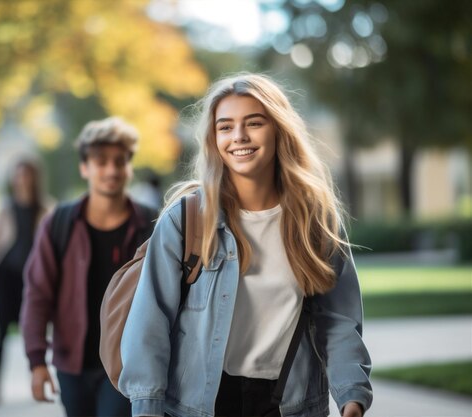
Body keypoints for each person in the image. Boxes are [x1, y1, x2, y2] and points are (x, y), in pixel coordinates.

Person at [118, 73, 372, 417]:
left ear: (279, 129)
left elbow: (338, 319)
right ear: (213, 138)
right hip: (200, 405)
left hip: (286, 404)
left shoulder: (315, 221)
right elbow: (150, 322)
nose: (238, 137)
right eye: (225, 127)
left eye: (253, 123)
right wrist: (146, 407)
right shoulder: (186, 219)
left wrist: (351, 396)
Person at [21, 117, 157, 417]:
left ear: (129, 167)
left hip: (128, 363)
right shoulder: (60, 223)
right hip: (73, 363)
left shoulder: (152, 225)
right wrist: (37, 361)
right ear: (85, 167)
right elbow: (38, 293)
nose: (111, 170)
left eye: (119, 161)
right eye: (101, 161)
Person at [0, 157, 49, 404]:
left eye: (27, 175)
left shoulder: (45, 209)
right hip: (6, 280)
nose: (22, 180)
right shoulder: (5, 208)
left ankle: (36, 383)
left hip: (32, 283)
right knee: (0, 335)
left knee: (32, 332)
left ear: (34, 178)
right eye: (18, 175)